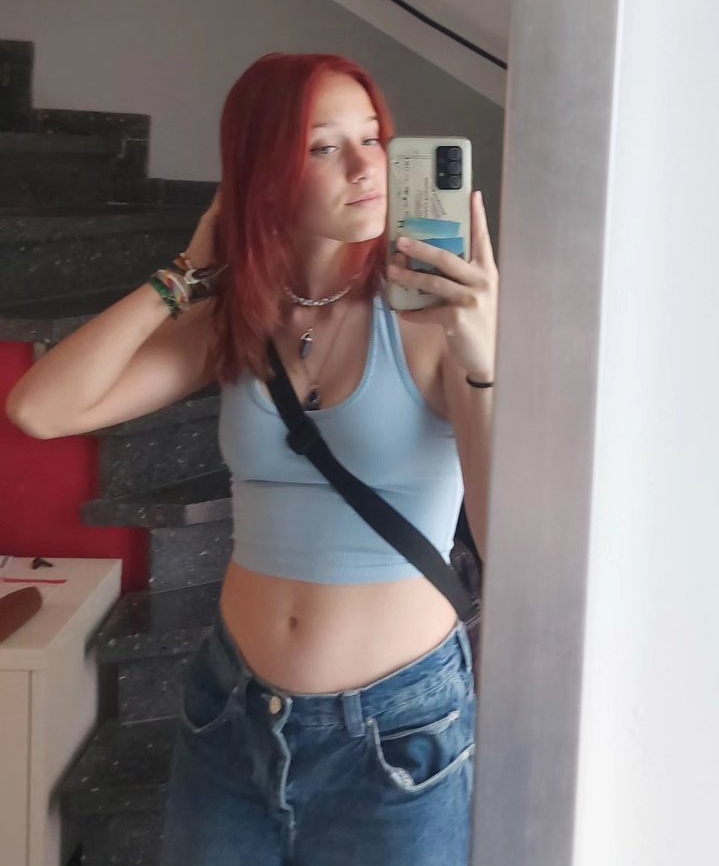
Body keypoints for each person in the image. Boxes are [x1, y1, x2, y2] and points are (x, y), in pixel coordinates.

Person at [5, 52, 498, 866]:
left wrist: (480, 358)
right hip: (231, 709)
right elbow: (41, 409)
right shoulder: (239, 319)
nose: (366, 167)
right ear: (261, 175)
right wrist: (184, 276)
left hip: (395, 733)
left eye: (373, 138)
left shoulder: (431, 322)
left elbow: (503, 532)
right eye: (323, 146)